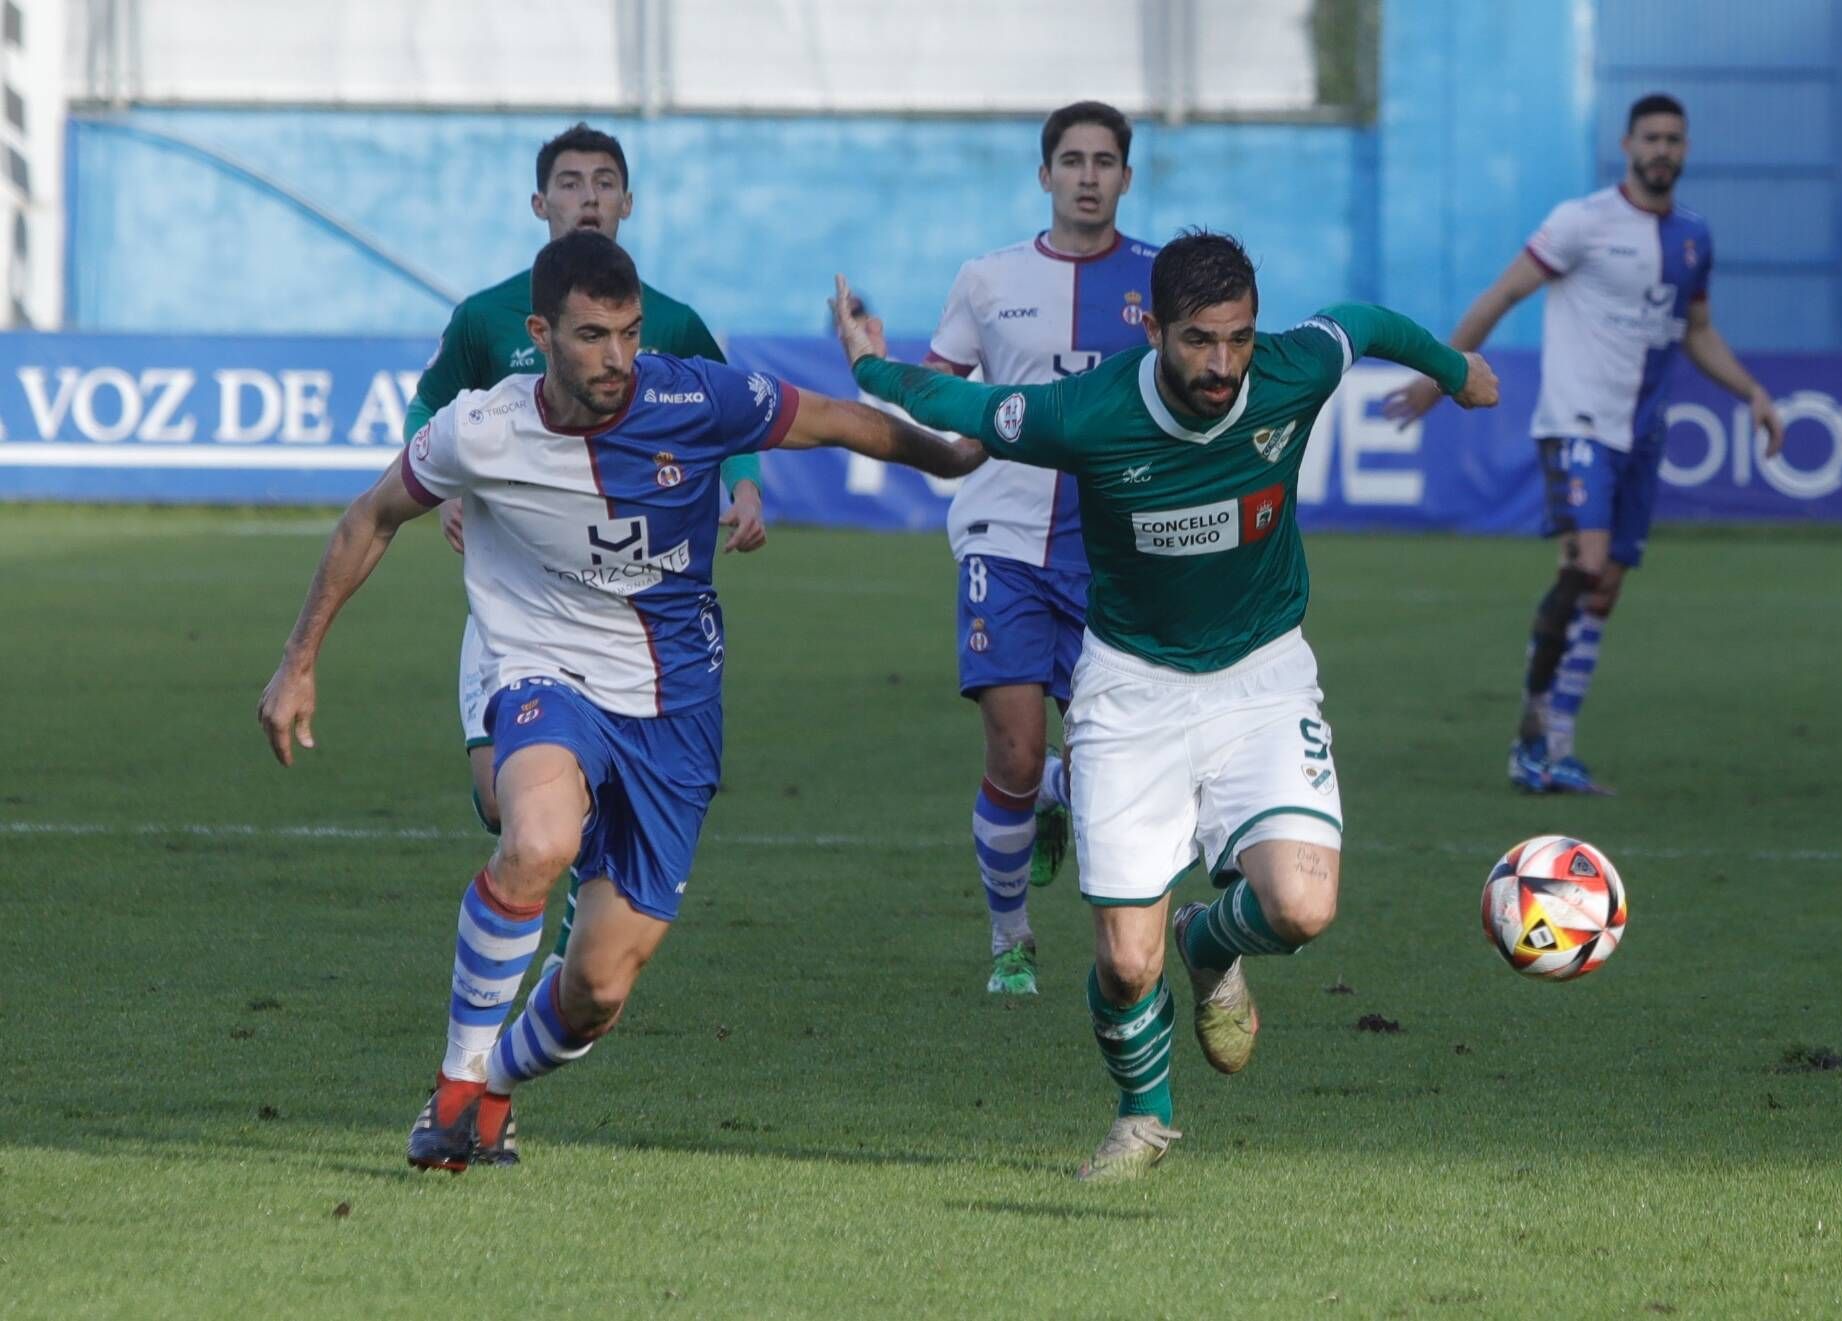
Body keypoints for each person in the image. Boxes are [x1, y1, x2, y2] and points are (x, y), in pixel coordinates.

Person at [258, 231, 982, 1171]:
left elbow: (841, 423)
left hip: (675, 705)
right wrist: (298, 658)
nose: (617, 359)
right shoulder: (483, 427)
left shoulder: (694, 395)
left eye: (629, 334)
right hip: (542, 669)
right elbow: (370, 518)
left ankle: (495, 1091)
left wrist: (949, 457)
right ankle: (453, 1083)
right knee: (538, 839)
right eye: (593, 336)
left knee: (597, 986)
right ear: (541, 332)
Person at [832, 231, 1499, 1181]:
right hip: (1131, 692)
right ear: (1151, 327)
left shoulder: (1289, 372)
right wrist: (869, 364)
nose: (1222, 364)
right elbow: (959, 401)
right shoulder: (1089, 412)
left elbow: (1364, 323)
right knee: (1122, 967)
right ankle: (1144, 1115)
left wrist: (1454, 369)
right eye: (1197, 340)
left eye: (1237, 338)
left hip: (1264, 677)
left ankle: (1208, 938)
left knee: (1303, 908)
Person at [405, 121, 766, 972]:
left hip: (627, 609)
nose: (589, 196)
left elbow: (735, 415)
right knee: (503, 806)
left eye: (605, 181)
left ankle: (580, 877)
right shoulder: (486, 317)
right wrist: (448, 492)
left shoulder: (670, 320)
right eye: (570, 182)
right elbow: (428, 412)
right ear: (541, 204)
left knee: (550, 825)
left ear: (628, 202)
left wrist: (743, 485)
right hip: (518, 611)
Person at [1382, 92, 1784, 795]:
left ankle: (1557, 744)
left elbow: (1698, 332)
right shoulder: (1583, 223)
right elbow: (1504, 294)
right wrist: (1439, 375)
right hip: (1578, 425)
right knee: (1587, 564)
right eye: (1651, 137)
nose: (1663, 149)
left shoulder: (1693, 237)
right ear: (1627, 146)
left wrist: (1751, 391)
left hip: (1642, 435)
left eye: (1674, 139)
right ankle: (1530, 737)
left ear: (1684, 151)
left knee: (1607, 589)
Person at [923, 101, 1156, 996]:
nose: (1089, 175)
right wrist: (880, 369)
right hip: (1004, 535)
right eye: (1072, 159)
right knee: (1013, 753)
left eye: (1105, 161)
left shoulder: (1162, 279)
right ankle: (1009, 940)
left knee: (1102, 765)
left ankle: (1064, 791)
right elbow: (940, 386)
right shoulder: (988, 279)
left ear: (1126, 178)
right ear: (1045, 174)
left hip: (1114, 547)